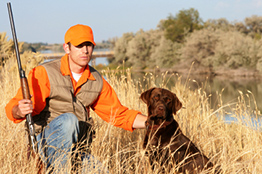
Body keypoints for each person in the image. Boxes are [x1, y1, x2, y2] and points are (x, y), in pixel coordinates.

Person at [5, 24, 147, 172]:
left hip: (76, 150)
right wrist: (19, 111)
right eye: (79, 46)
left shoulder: (96, 80)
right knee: (69, 120)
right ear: (67, 48)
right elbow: (14, 108)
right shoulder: (44, 72)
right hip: (45, 145)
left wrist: (155, 122)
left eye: (89, 45)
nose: (85, 50)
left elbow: (118, 114)